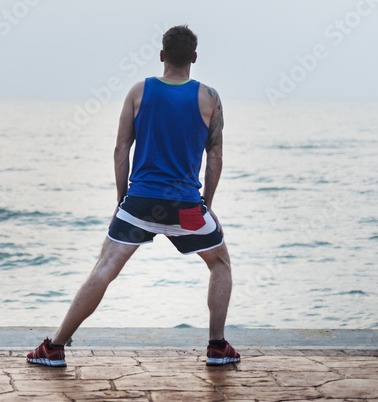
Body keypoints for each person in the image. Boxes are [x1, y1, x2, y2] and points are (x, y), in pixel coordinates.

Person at [27, 25, 240, 367]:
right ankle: (217, 347)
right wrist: (207, 207)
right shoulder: (210, 98)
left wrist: (121, 200)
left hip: (140, 204)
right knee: (220, 264)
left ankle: (54, 347)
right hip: (187, 207)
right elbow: (215, 156)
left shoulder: (139, 92)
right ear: (194, 58)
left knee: (105, 267)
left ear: (161, 55)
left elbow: (120, 148)